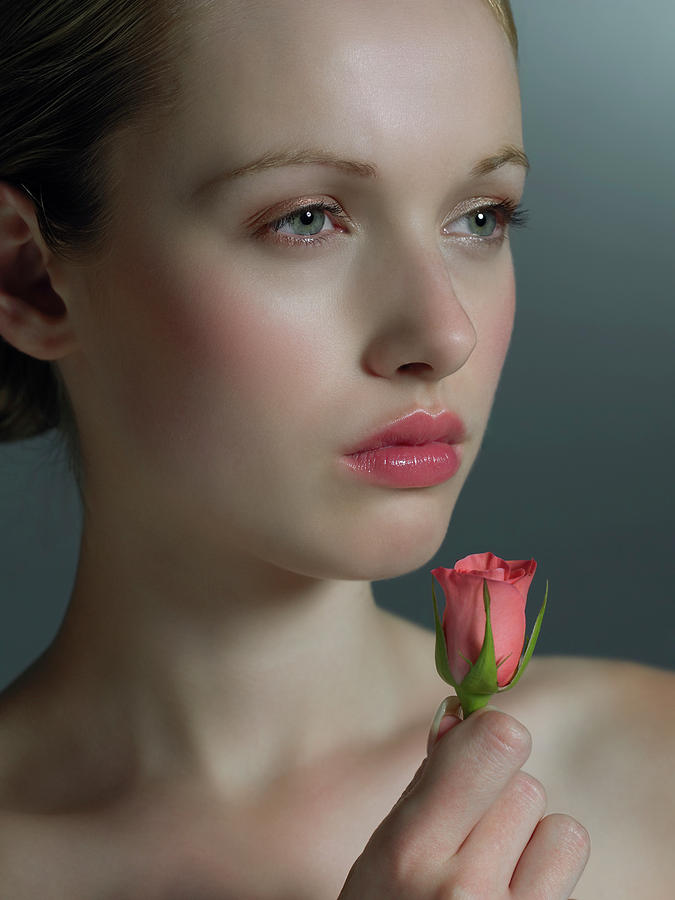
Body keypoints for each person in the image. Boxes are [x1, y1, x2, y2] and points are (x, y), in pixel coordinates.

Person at [0, 0, 672, 896]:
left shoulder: (653, 780)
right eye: (307, 218)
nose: (444, 333)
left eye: (479, 217)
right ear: (31, 278)